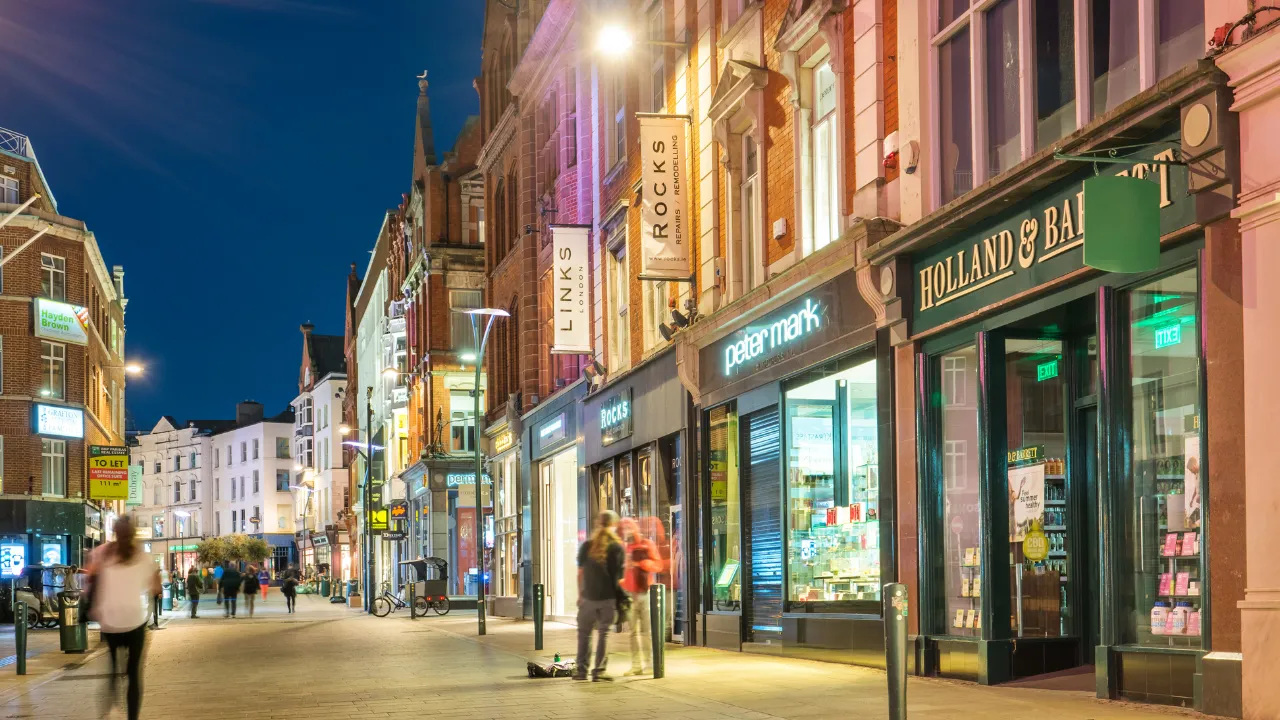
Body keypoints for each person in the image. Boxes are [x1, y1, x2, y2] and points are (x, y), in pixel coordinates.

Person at [86, 517, 161, 720]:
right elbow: (156, 588)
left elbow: (90, 578)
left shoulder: (102, 554)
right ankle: (132, 715)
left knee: (112, 663)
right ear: (134, 534)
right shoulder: (144, 558)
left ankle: (108, 702)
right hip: (135, 620)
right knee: (134, 673)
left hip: (110, 622)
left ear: (115, 533)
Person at [574, 510, 625, 682]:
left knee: (584, 634)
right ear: (614, 525)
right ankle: (599, 672)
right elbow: (618, 578)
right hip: (607, 599)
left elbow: (580, 573)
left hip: (587, 599)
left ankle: (581, 671)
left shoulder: (586, 546)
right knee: (604, 634)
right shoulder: (616, 548)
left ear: (598, 523)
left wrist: (580, 594)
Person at [619, 518, 661, 676]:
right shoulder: (624, 548)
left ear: (635, 528)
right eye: (624, 528)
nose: (627, 531)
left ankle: (649, 664)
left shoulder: (646, 544)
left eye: (629, 527)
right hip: (630, 595)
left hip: (644, 593)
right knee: (633, 632)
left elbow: (658, 565)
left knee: (646, 631)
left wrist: (641, 564)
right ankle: (636, 665)